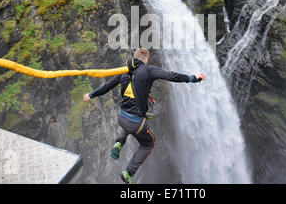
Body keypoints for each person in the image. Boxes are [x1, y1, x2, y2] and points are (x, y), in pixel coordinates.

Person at [83, 48, 205, 184]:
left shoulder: (123, 72)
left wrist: (90, 95)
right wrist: (193, 78)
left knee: (129, 124)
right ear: (145, 59)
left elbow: (107, 86)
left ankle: (119, 142)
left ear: (135, 58)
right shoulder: (149, 70)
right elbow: (171, 75)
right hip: (136, 123)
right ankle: (128, 173)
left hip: (122, 118)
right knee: (149, 143)